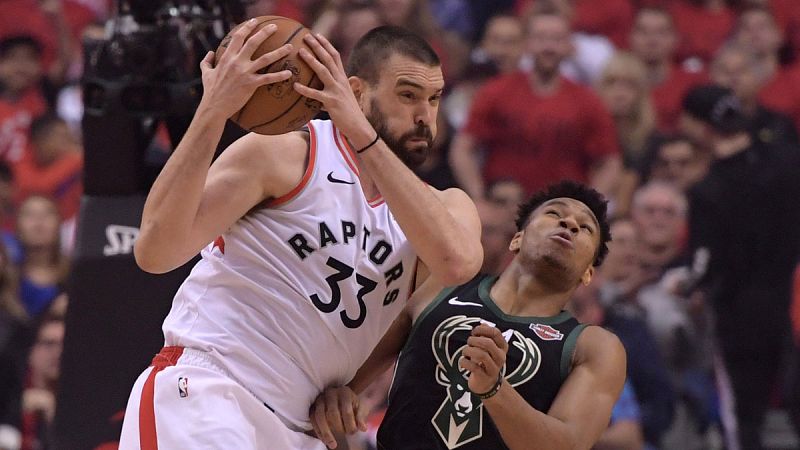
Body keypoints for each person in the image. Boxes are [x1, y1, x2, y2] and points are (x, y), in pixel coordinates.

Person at [119, 23, 482, 448]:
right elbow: (155, 252)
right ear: (356, 93)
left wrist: (348, 385)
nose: (424, 115)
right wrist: (212, 111)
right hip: (211, 391)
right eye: (407, 95)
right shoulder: (287, 154)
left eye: (434, 99)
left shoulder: (446, 206)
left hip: (300, 427)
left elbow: (454, 265)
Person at [310, 181, 626, 450]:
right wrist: (339, 398)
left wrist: (494, 389)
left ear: (588, 273)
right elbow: (345, 383)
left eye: (584, 227)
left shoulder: (593, 346)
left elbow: (568, 444)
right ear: (517, 238)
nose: (569, 224)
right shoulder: (439, 286)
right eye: (555, 213)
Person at [681, 84, 800, 450]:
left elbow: (703, 266)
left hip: (742, 313)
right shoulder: (789, 162)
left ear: (701, 128)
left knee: (745, 415)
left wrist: (684, 283)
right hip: (793, 302)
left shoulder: (709, 190)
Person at [450, 10, 620, 200]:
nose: (548, 46)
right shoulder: (496, 91)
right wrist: (479, 197)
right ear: (527, 43)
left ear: (570, 45)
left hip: (563, 212)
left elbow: (610, 162)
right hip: (505, 208)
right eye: (541, 38)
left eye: (557, 39)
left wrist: (588, 205)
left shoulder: (588, 100)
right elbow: (463, 148)